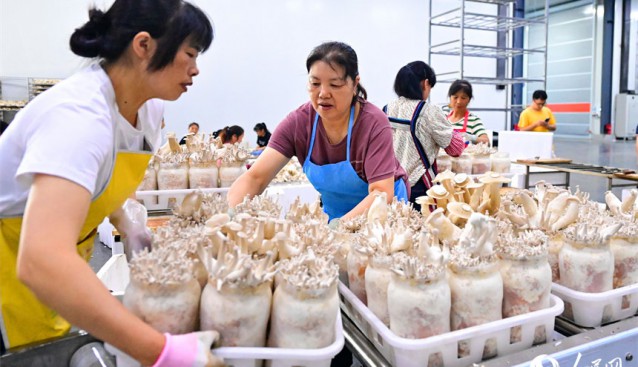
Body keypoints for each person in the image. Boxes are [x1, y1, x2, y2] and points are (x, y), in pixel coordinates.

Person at [0, 1, 221, 366]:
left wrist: (126, 220)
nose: (196, 69)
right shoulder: (79, 118)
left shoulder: (147, 108)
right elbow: (40, 260)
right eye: (190, 53)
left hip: (60, 261)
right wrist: (160, 352)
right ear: (144, 45)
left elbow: (99, 177)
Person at [228, 41, 409, 225]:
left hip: (380, 214)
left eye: (335, 85)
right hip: (336, 213)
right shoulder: (299, 123)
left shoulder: (373, 123)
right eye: (315, 83)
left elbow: (381, 193)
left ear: (355, 84)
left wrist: (339, 227)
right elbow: (255, 178)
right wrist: (230, 216)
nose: (323, 93)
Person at [384, 61, 464, 210]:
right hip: (419, 187)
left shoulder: (387, 108)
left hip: (390, 185)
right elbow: (456, 149)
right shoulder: (428, 111)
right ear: (426, 83)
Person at [441, 79, 490, 145]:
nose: (459, 101)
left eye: (463, 98)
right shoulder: (443, 117)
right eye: (455, 97)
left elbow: (487, 141)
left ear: (469, 100)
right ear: (450, 97)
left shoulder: (473, 120)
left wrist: (471, 138)